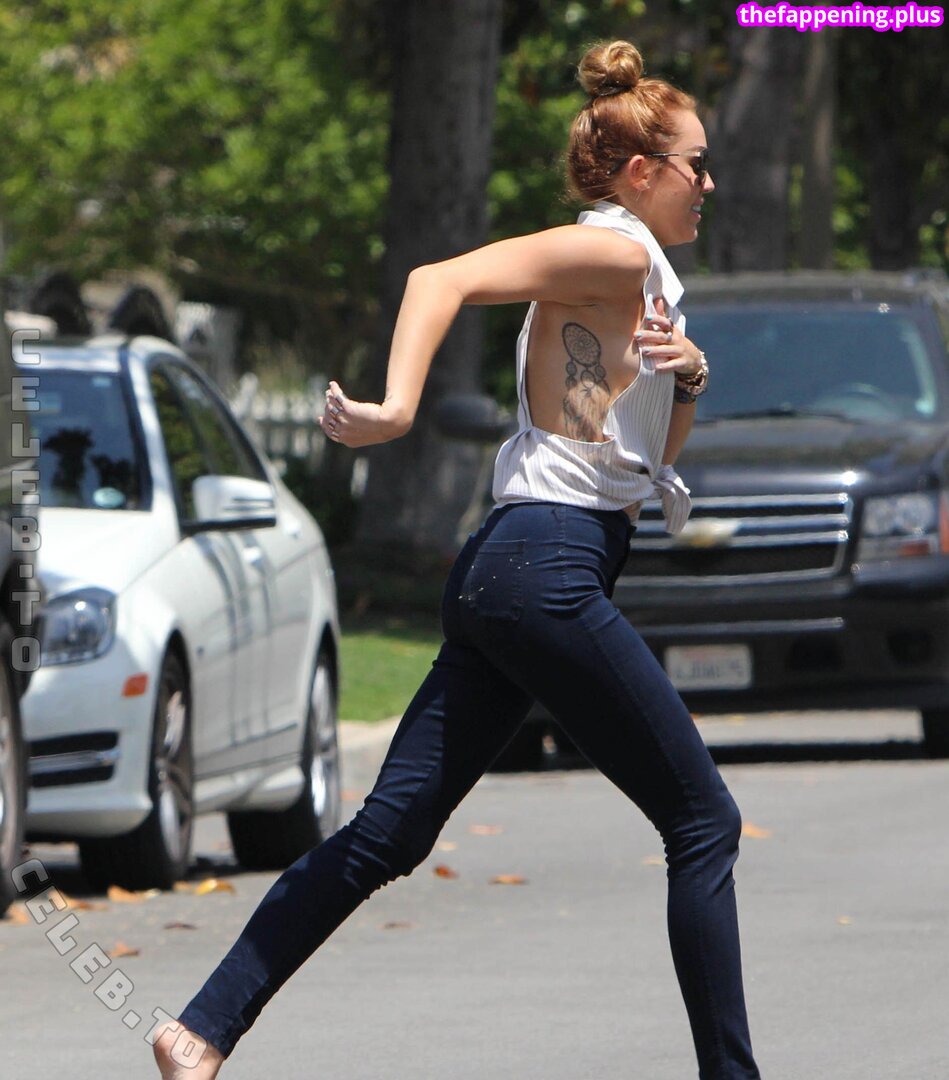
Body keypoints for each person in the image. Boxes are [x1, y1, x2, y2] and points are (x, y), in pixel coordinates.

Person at [154, 39, 760, 1080]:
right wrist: (395, 409)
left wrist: (691, 379)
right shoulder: (615, 255)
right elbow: (440, 277)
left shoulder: (640, 281)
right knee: (702, 821)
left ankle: (199, 1030)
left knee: (389, 835)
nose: (708, 184)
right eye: (695, 165)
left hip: (516, 568)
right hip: (545, 566)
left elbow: (640, 463)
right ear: (638, 173)